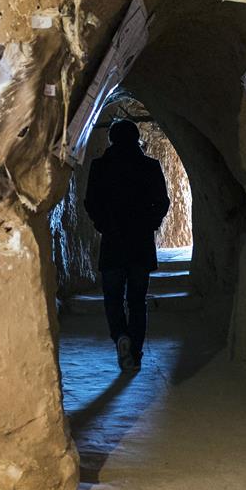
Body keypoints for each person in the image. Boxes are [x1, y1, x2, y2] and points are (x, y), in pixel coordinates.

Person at [84, 119, 170, 373]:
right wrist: (150, 223)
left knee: (112, 297)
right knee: (137, 300)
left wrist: (103, 225)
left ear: (111, 139)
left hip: (113, 241)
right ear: (137, 138)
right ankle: (136, 353)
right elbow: (162, 202)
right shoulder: (149, 166)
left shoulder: (100, 166)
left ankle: (120, 335)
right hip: (140, 243)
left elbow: (91, 202)